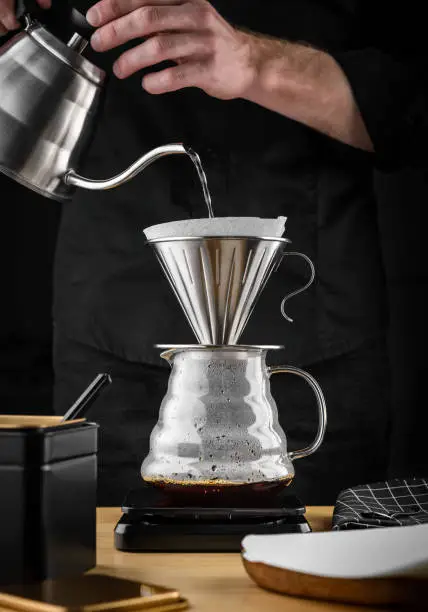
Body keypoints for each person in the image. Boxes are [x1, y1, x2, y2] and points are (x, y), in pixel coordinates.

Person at [1, 0, 427, 505]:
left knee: (307, 574)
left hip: (311, 340)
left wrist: (258, 62)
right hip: (111, 328)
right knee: (103, 573)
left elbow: (413, 103)